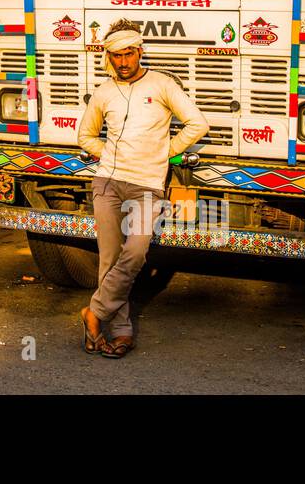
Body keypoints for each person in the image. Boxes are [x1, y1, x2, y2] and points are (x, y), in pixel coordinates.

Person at [77, 19, 209, 358]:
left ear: (139, 51)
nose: (122, 62)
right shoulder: (105, 91)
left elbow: (197, 123)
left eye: (128, 54)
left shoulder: (162, 84)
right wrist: (106, 153)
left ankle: (94, 312)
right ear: (108, 57)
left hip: (147, 185)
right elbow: (85, 136)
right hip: (107, 182)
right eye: (116, 56)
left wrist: (167, 151)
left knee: (135, 252)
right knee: (108, 259)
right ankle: (119, 332)